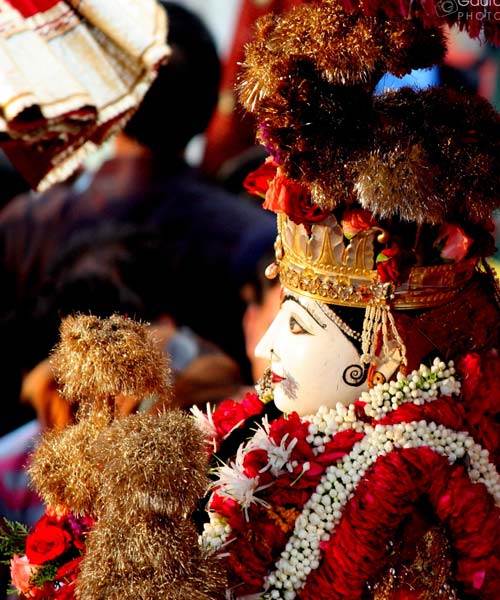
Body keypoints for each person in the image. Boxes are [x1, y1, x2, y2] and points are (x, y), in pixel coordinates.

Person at [198, 1, 500, 598]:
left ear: (384, 351)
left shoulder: (411, 482)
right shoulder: (275, 439)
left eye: (302, 326)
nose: (265, 344)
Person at [0, 0, 275, 435]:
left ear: (104, 89)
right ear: (209, 99)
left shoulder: (21, 226)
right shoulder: (254, 236)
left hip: (33, 486)